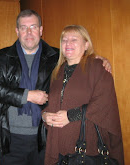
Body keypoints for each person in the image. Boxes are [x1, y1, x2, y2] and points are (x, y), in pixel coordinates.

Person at [0, 10, 112, 165]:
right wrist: (27, 95)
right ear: (17, 31)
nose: (29, 32)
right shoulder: (4, 57)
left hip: (45, 135)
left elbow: (78, 60)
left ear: (41, 30)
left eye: (33, 26)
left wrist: (97, 59)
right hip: (11, 137)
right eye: (24, 27)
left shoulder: (56, 57)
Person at [42, 25, 124, 165]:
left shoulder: (98, 67)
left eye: (74, 39)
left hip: (86, 148)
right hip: (59, 149)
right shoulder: (57, 71)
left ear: (86, 44)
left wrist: (70, 115)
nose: (68, 43)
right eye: (64, 39)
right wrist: (45, 115)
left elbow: (104, 103)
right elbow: (52, 102)